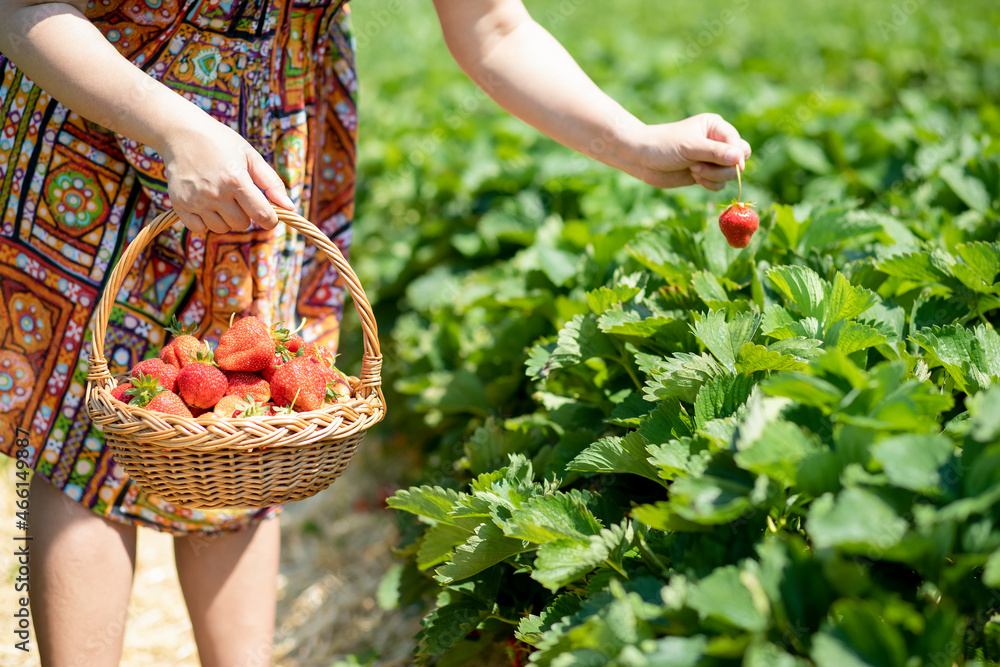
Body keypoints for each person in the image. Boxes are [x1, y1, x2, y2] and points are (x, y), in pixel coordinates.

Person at [0, 0, 751, 664]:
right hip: (100, 115)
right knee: (86, 435)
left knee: (252, 426)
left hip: (275, 132)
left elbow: (492, 24)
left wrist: (634, 143)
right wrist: (171, 127)